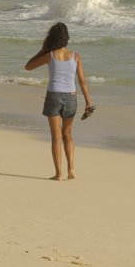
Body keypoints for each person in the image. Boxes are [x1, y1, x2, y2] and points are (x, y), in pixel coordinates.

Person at [25, 22, 95, 180]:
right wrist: (88, 102)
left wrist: (43, 49)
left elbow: (28, 67)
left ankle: (59, 173)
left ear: (53, 38)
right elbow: (83, 81)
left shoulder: (49, 55)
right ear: (66, 38)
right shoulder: (75, 56)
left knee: (56, 136)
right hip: (71, 96)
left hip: (54, 96)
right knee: (68, 134)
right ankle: (71, 169)